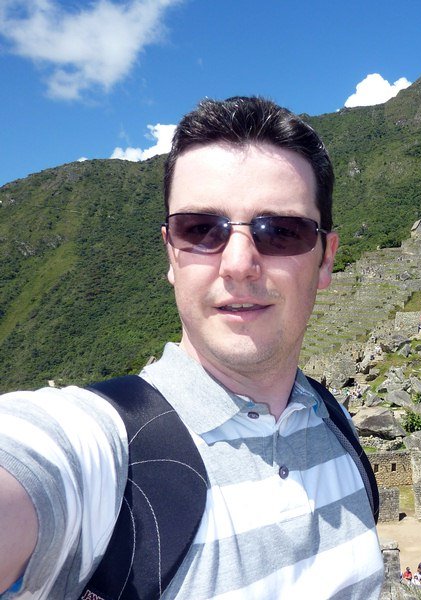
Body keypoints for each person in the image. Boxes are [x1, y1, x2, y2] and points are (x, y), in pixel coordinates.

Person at [0, 97, 384, 599]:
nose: (239, 264)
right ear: (171, 253)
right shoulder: (104, 449)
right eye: (202, 230)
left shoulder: (338, 426)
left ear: (325, 260)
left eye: (281, 232)